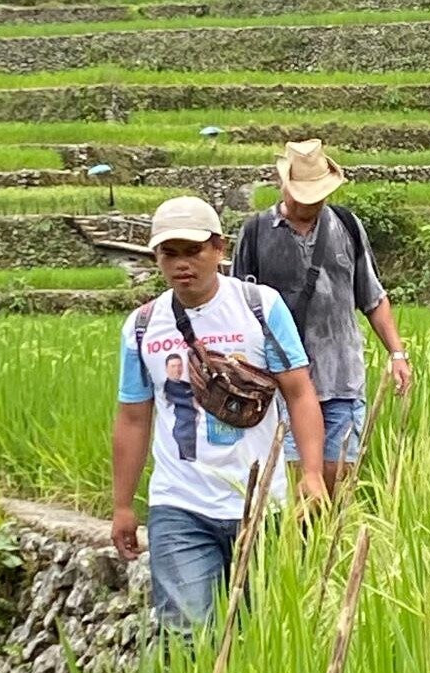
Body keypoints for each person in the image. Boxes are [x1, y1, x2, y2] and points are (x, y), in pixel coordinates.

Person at [111, 195, 326, 631]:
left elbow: (300, 393)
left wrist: (313, 473)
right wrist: (122, 505)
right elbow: (133, 418)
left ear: (219, 249)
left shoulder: (260, 308)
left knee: (262, 634)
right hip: (179, 503)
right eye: (169, 254)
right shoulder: (142, 325)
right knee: (185, 635)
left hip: (262, 503)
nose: (181, 265)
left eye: (193, 251)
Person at [232, 139, 412, 497]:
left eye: (317, 195)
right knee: (294, 487)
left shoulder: (346, 226)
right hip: (282, 384)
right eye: (303, 194)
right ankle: (293, 553)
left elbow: (372, 297)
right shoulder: (255, 234)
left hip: (342, 377)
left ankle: (330, 551)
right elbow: (237, 308)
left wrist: (397, 353)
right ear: (283, 185)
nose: (310, 202)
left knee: (338, 481)